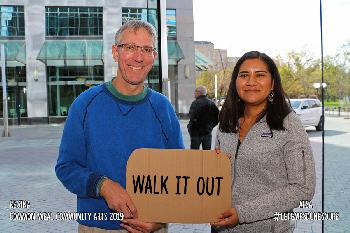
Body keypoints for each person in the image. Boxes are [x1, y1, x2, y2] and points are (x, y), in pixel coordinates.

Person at [55, 20, 184, 233]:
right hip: (97, 226)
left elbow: (179, 174)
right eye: (130, 47)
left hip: (152, 226)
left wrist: (161, 220)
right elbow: (66, 167)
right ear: (115, 52)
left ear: (154, 56)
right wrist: (102, 185)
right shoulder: (85, 104)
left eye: (146, 49)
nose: (138, 57)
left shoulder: (163, 108)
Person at [211, 51, 316, 232]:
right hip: (222, 227)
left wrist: (242, 213)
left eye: (260, 75)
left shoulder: (289, 124)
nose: (251, 82)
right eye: (244, 75)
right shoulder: (226, 123)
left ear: (273, 83)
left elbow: (303, 188)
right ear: (235, 82)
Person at [187, 86, 219, 150]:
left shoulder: (195, 103)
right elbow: (217, 118)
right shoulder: (211, 103)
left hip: (195, 133)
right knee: (207, 154)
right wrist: (210, 127)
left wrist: (190, 127)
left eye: (195, 91)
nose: (194, 93)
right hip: (207, 132)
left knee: (194, 154)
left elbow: (191, 117)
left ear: (199, 92)